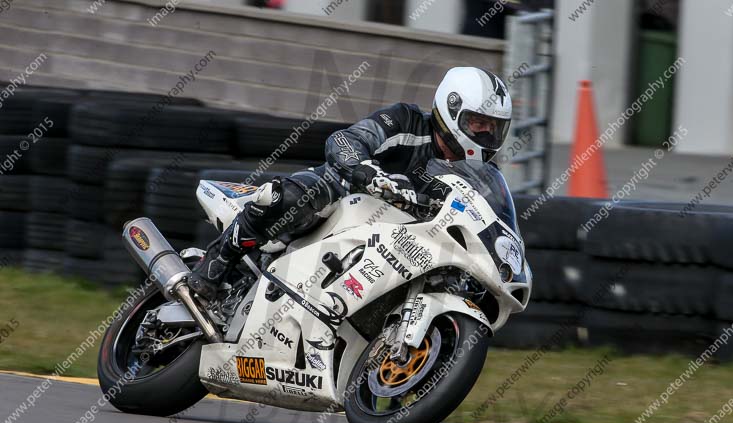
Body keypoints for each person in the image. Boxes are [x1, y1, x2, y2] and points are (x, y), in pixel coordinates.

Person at [188, 66, 513, 300]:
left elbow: (489, 219)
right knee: (290, 198)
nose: (485, 133)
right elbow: (347, 140)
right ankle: (218, 260)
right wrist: (365, 171)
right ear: (451, 108)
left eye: (493, 127)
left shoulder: (478, 174)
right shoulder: (406, 121)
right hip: (345, 197)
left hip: (402, 241)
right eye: (477, 122)